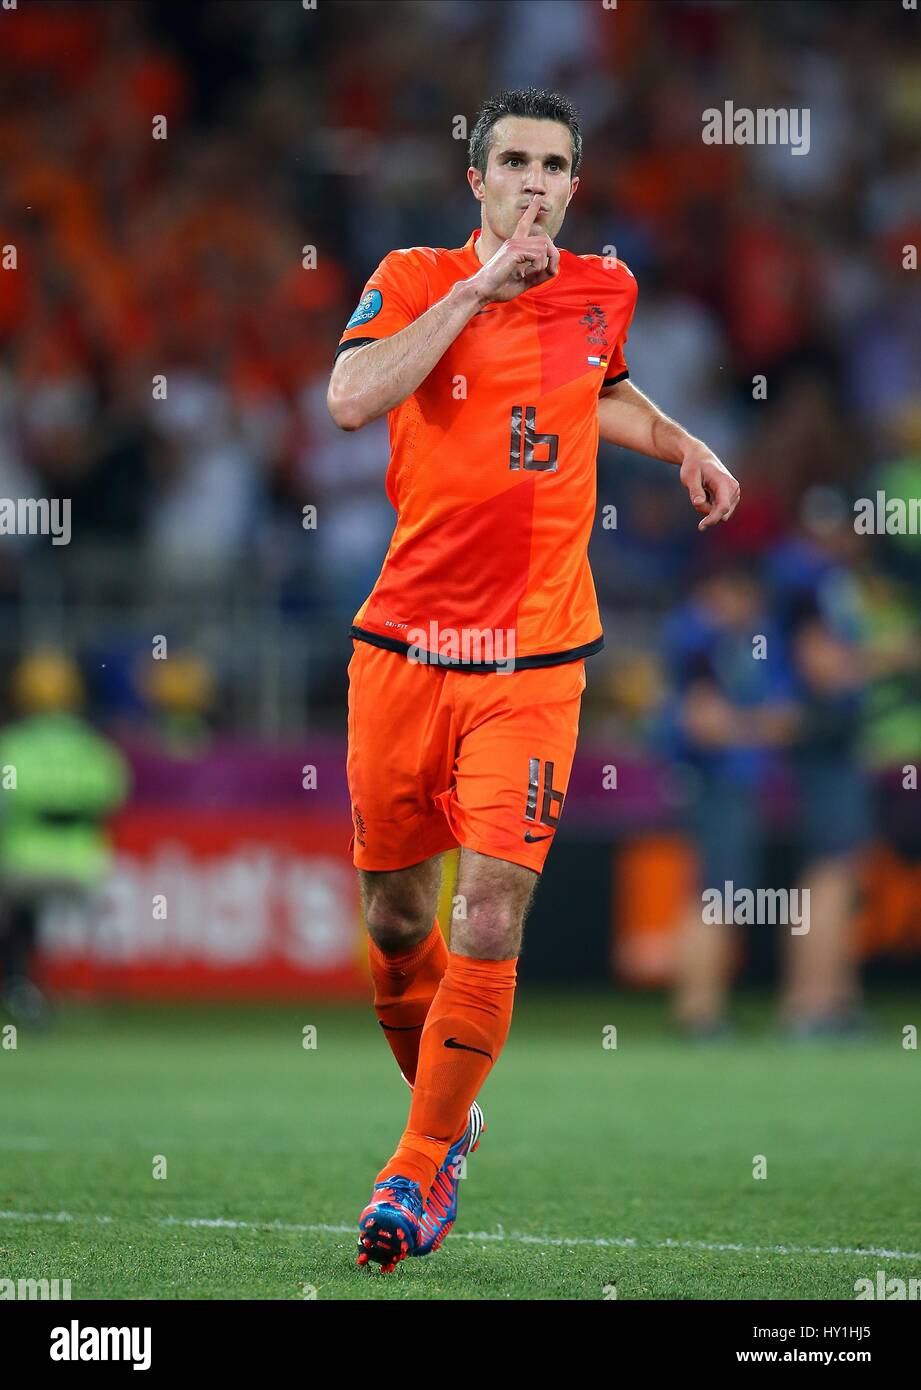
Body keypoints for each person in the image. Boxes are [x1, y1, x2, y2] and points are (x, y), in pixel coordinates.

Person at [326, 86, 741, 1272]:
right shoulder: (411, 277)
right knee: (398, 920)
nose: (533, 182)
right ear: (477, 181)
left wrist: (682, 442)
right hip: (404, 650)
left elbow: (597, 384)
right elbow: (353, 399)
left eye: (553, 166)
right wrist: (474, 290)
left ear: (571, 184)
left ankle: (415, 1168)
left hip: (535, 661)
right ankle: (452, 1123)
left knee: (490, 907)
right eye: (511, 161)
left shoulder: (604, 290)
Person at [0, 650, 131, 1026]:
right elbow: (114, 800)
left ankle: (20, 988)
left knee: (16, 912)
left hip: (21, 870)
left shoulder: (11, 746)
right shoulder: (93, 747)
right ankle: (106, 994)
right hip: (83, 868)